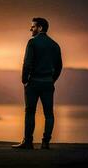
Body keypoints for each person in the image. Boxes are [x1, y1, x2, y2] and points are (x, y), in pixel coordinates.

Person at [12, 17, 63, 149]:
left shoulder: (32, 42)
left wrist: (24, 80)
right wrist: (52, 80)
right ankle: (45, 143)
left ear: (40, 28)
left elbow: (27, 63)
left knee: (30, 112)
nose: (31, 29)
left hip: (33, 83)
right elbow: (59, 67)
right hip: (48, 83)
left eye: (33, 26)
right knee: (49, 114)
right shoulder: (55, 45)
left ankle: (28, 142)